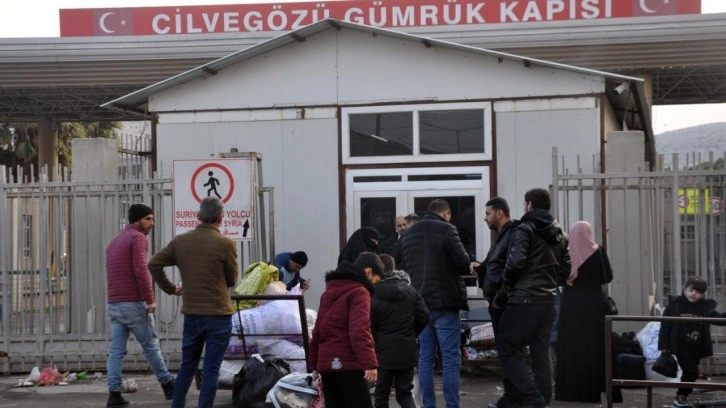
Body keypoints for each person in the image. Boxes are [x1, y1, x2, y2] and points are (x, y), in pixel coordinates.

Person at [148, 197, 238, 408]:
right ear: (221, 218)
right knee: (211, 369)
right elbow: (232, 280)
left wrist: (171, 288)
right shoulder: (226, 244)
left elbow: (154, 264)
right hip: (219, 315)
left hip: (192, 314)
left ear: (198, 216)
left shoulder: (180, 242)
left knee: (187, 366)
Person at [492, 188, 570, 408]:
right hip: (548, 301)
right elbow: (566, 270)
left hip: (523, 300)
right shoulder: (561, 234)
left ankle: (532, 398)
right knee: (540, 354)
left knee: (507, 348)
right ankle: (542, 401)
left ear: (529, 205)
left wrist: (504, 291)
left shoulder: (525, 229)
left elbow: (514, 263)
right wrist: (549, 283)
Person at [399, 199, 472, 408]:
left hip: (420, 304)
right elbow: (463, 263)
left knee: (425, 358)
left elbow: (405, 268)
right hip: (445, 302)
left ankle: (428, 405)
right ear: (446, 213)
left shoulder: (407, 235)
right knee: (450, 359)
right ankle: (452, 405)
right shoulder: (447, 229)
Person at [105, 204, 176, 408]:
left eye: (152, 219)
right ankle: (168, 385)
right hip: (134, 304)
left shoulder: (115, 241)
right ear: (137, 220)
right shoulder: (137, 238)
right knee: (151, 346)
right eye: (148, 219)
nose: (152, 223)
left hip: (115, 303)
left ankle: (114, 394)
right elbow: (141, 270)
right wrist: (150, 299)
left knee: (116, 350)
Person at [310, 252, 384, 408]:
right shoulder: (359, 292)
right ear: (369, 272)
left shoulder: (328, 293)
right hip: (348, 362)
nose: (374, 285)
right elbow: (359, 329)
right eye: (375, 281)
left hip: (326, 364)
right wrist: (370, 363)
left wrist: (314, 363)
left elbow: (317, 330)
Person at [554, 220, 615, 403]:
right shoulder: (599, 251)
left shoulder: (566, 253)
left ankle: (570, 392)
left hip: (572, 305)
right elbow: (608, 277)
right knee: (594, 347)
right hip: (594, 305)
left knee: (572, 347)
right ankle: (595, 390)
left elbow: (558, 277)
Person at [470, 197, 520, 408]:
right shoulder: (502, 236)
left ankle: (515, 397)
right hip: (497, 301)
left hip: (503, 303)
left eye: (488, 213)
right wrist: (481, 267)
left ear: (499, 213)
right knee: (506, 351)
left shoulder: (512, 234)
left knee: (509, 351)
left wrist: (500, 296)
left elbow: (510, 268)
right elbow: (496, 264)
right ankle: (512, 396)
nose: (485, 218)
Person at [371, 254, 430, 408]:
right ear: (394, 268)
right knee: (404, 393)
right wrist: (412, 332)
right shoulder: (410, 290)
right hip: (406, 349)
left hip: (383, 352)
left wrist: (376, 340)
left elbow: (370, 324)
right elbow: (424, 315)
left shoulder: (374, 293)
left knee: (381, 395)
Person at [659, 276, 726, 408]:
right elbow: (665, 326)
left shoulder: (705, 307)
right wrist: (664, 346)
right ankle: (680, 397)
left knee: (690, 372)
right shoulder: (675, 305)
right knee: (691, 371)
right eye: (691, 290)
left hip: (697, 347)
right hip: (681, 345)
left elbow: (719, 320)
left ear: (702, 294)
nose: (693, 294)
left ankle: (682, 397)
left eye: (698, 292)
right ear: (685, 289)